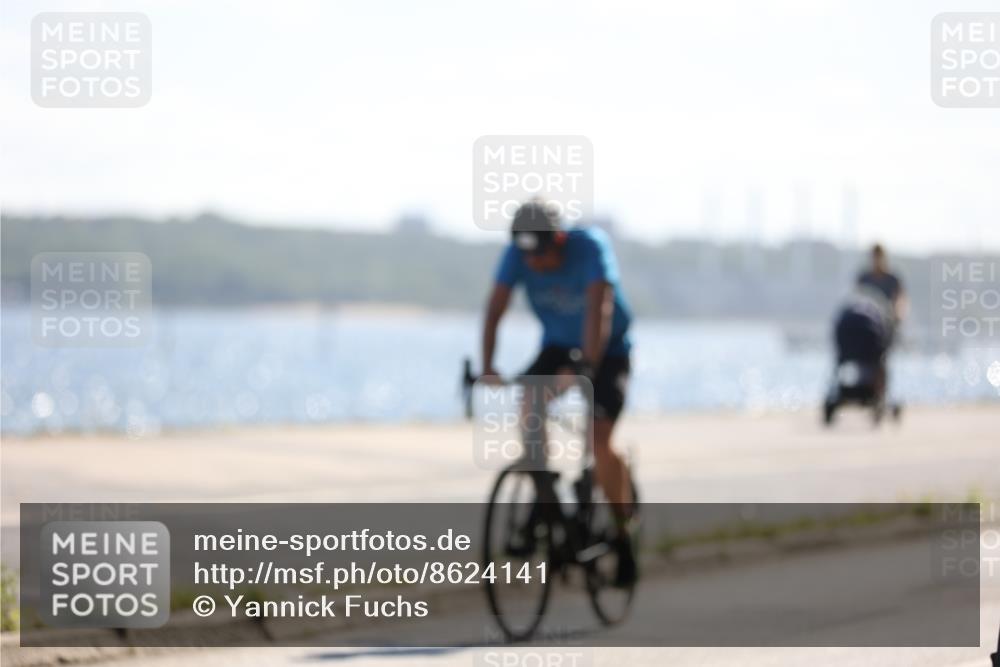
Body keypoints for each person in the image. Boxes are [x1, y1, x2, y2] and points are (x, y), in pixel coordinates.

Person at [480, 199, 637, 586]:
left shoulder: (589, 247)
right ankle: (544, 495)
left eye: (543, 258)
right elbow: (495, 308)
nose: (535, 266)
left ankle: (623, 535)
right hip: (556, 344)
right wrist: (487, 366)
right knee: (530, 404)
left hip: (608, 348)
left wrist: (585, 368)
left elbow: (599, 309)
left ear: (561, 240)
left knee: (599, 440)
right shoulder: (518, 252)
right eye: (528, 259)